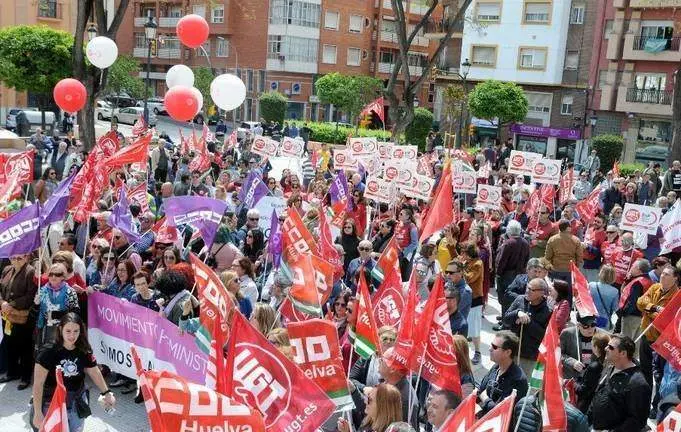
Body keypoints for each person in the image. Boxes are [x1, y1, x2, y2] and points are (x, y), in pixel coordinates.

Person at [30, 313, 115, 432]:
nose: (72, 335)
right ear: (60, 329)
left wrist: (107, 392)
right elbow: (38, 384)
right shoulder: (47, 351)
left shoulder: (84, 349)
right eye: (68, 331)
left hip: (76, 403)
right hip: (51, 404)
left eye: (76, 331)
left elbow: (94, 371)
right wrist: (38, 413)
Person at [637, 264, 679, 416]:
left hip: (661, 343)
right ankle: (644, 403)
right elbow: (640, 302)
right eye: (662, 274)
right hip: (646, 337)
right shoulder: (654, 288)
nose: (662, 276)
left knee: (659, 377)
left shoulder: (677, 297)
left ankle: (656, 407)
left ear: (675, 278)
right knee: (644, 373)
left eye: (667, 274)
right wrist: (654, 308)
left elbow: (668, 319)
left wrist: (650, 313)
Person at [588, 334, 651, 431]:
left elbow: (637, 420)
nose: (605, 349)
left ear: (623, 353)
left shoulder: (638, 384)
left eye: (610, 347)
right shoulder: (612, 366)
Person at [0, 254, 38, 389]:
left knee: (25, 347)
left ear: (26, 258)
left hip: (23, 316)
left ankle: (25, 377)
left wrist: (13, 304)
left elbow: (31, 295)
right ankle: (12, 372)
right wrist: (3, 302)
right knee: (10, 343)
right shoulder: (7, 270)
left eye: (19, 258)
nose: (16, 260)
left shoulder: (30, 271)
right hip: (7, 315)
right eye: (13, 258)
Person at [503, 277, 551, 378]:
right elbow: (506, 319)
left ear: (542, 293)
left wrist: (528, 321)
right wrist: (517, 313)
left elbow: (544, 336)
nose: (527, 291)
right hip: (511, 351)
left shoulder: (548, 311)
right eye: (527, 288)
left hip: (529, 357)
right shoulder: (520, 299)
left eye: (532, 290)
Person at [477, 330, 528, 416]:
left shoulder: (518, 380)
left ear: (508, 352)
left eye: (494, 347)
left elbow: (500, 412)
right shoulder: (496, 367)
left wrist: (485, 398)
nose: (490, 349)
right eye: (491, 345)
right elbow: (481, 390)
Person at [495, 220, 530, 317]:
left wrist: (498, 274)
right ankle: (507, 317)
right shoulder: (526, 243)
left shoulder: (508, 243)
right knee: (515, 297)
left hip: (507, 275)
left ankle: (505, 320)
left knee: (505, 297)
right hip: (520, 274)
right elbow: (527, 260)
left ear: (509, 231)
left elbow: (501, 261)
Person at [617, 258, 652, 354]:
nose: (630, 268)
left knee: (625, 344)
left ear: (638, 269)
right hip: (641, 317)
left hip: (631, 317)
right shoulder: (648, 280)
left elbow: (632, 301)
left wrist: (623, 313)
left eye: (632, 266)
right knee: (635, 345)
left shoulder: (638, 282)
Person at [459, 242, 484, 365]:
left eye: (465, 253)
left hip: (475, 299)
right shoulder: (468, 262)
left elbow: (470, 278)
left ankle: (478, 352)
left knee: (475, 328)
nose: (463, 255)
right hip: (465, 298)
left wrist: (462, 267)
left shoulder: (478, 264)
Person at [574, 331, 610, 414]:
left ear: (596, 348)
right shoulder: (610, 363)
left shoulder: (595, 366)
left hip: (589, 406)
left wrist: (573, 384)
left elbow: (584, 391)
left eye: (592, 344)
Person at [559, 314, 602, 380]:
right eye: (586, 326)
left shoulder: (603, 336)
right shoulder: (567, 333)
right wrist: (572, 362)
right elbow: (558, 354)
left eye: (593, 325)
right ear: (578, 325)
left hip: (592, 380)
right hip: (570, 378)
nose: (590, 329)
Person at [544, 219, 583, 286]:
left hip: (556, 270)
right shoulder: (576, 240)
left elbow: (547, 256)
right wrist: (576, 268)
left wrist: (549, 267)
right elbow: (579, 257)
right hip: (570, 270)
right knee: (569, 292)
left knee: (556, 292)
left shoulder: (552, 239)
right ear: (568, 228)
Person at [588, 264, 619, 330]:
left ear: (601, 273)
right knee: (600, 338)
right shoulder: (615, 291)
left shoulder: (591, 285)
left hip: (589, 317)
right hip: (603, 319)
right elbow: (615, 308)